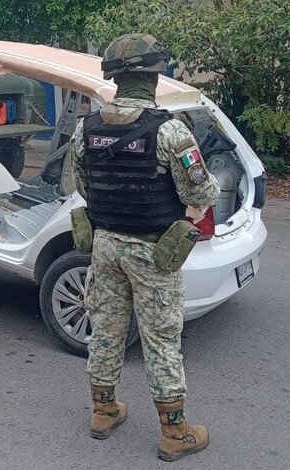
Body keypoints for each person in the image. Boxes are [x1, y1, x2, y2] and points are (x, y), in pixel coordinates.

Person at [69, 33, 220, 461]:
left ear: (115, 78)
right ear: (155, 77)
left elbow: (83, 186)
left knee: (106, 331)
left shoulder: (85, 129)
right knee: (161, 341)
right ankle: (174, 434)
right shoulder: (172, 133)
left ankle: (103, 411)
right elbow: (202, 193)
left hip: (104, 245)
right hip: (153, 253)